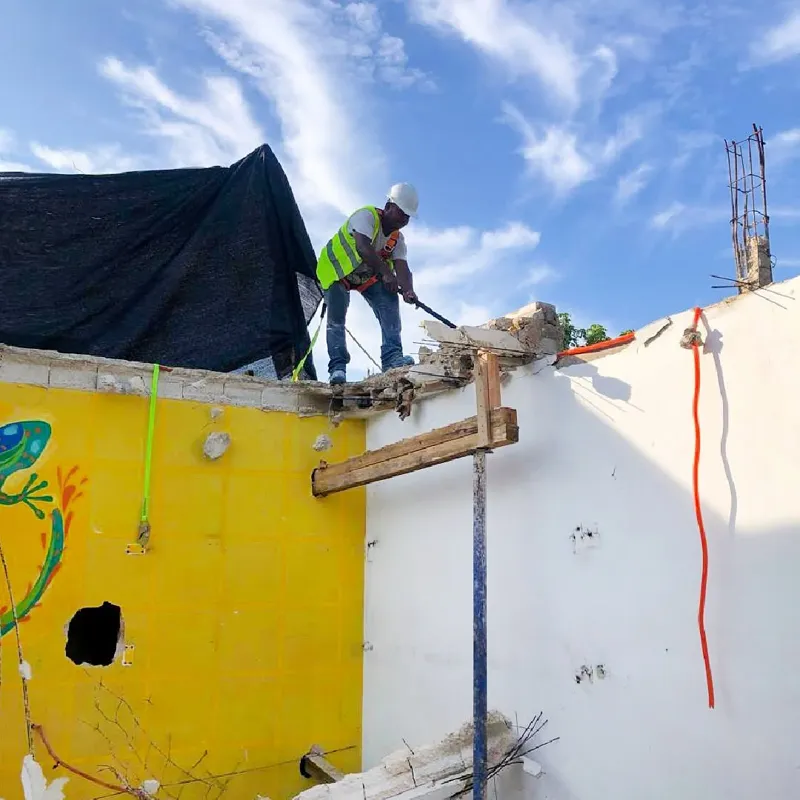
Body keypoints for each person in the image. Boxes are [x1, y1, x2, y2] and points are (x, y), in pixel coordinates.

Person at [315, 183, 420, 385]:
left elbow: (403, 267)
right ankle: (337, 368)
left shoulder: (397, 239)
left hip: (365, 276)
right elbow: (363, 247)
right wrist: (386, 273)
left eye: (408, 216)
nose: (404, 219)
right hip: (336, 270)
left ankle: (392, 358)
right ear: (389, 206)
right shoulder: (366, 217)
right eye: (402, 212)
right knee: (336, 318)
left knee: (389, 300)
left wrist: (408, 290)